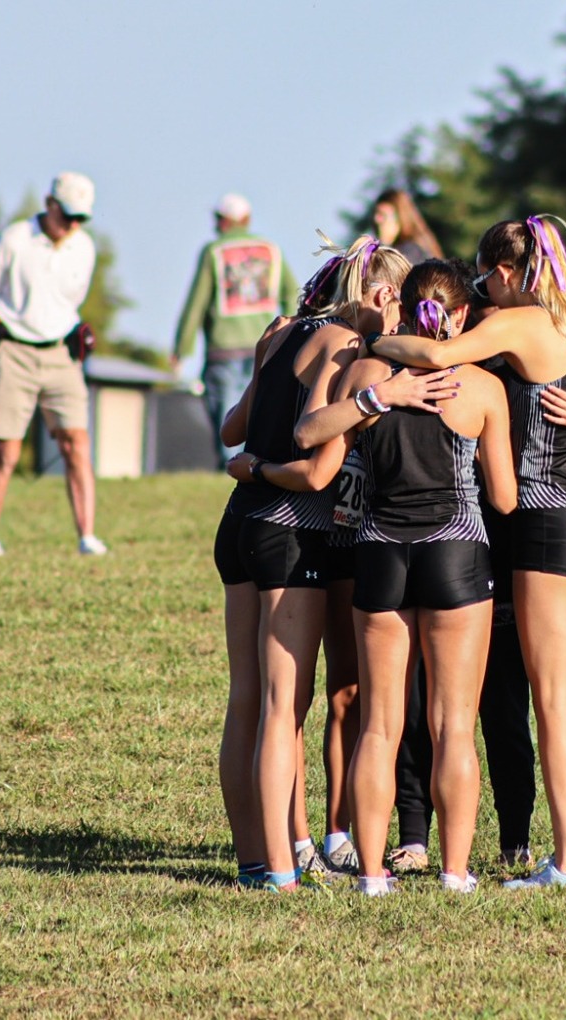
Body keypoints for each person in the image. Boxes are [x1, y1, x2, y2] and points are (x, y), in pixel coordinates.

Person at [373, 216, 566, 888]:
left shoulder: (523, 324)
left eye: (487, 281)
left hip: (554, 521)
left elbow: (437, 357)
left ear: (502, 271)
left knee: (552, 701)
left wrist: (379, 337)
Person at [216, 236, 412, 891]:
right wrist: (274, 467)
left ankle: (253, 860)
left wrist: (251, 462)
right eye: (402, 308)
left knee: (245, 701)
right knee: (282, 709)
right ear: (383, 295)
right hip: (288, 528)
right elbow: (319, 468)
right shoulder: (349, 349)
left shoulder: (282, 329)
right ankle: (278, 870)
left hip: (237, 521)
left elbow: (231, 428)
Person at [337, 260, 516, 895]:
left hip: (380, 550)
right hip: (456, 555)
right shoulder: (481, 387)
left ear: (405, 311)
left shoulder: (365, 374)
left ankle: (371, 874)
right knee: (453, 726)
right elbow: (503, 497)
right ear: (460, 316)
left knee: (380, 726)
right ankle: (455, 872)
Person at [0, 172, 107, 555]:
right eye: (68, 216)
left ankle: (87, 535)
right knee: (6, 451)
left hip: (61, 354)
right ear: (49, 205)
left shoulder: (84, 247)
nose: (73, 225)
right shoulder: (13, 240)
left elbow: (69, 303)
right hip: (13, 350)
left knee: (76, 442)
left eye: (81, 218)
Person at [174, 193, 298, 469]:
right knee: (258, 414)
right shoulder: (270, 250)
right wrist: (286, 332)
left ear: (223, 220)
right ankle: (252, 468)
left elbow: (197, 301)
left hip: (224, 350)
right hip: (265, 347)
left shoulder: (213, 251)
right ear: (247, 219)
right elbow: (293, 292)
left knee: (228, 420)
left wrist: (181, 347)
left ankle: (231, 471)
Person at [371, 189, 444, 265]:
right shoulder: (418, 248)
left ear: (401, 218)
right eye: (375, 213)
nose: (376, 219)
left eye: (383, 215)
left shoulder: (410, 253)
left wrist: (384, 243)